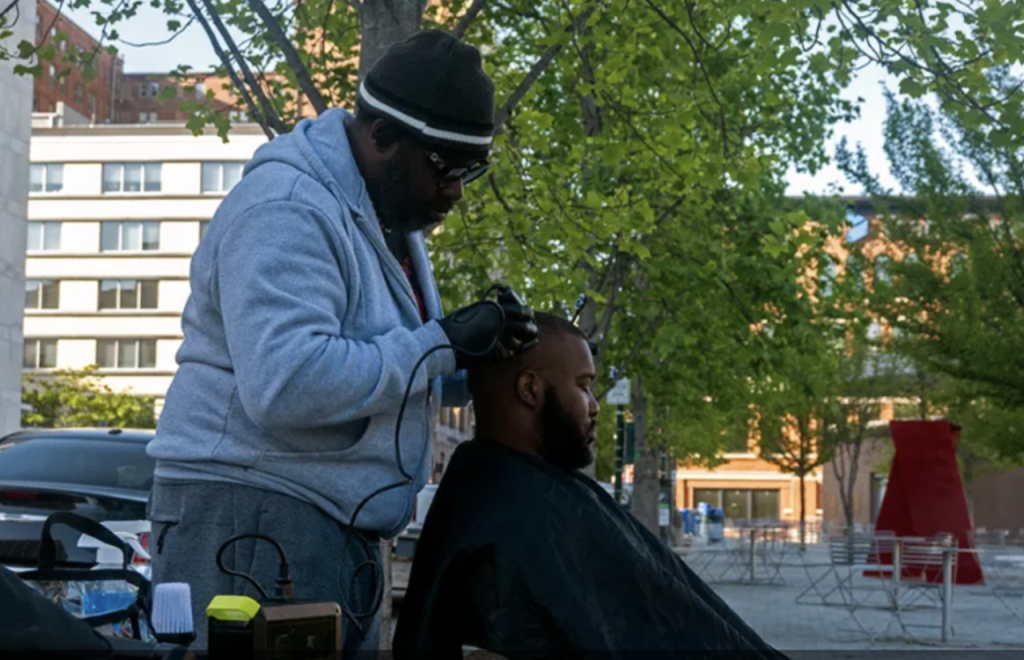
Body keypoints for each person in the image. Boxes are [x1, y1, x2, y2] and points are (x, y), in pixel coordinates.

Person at [144, 30, 536, 654]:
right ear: (381, 136)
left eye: (472, 171)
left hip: (322, 523)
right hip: (251, 519)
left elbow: (378, 372)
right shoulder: (287, 207)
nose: (457, 192)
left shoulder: (376, 215)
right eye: (446, 169)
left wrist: (474, 357)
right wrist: (440, 343)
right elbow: (287, 382)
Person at [392, 313, 788, 659]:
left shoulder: (500, 493)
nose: (594, 404)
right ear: (530, 389)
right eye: (583, 386)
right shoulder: (515, 521)